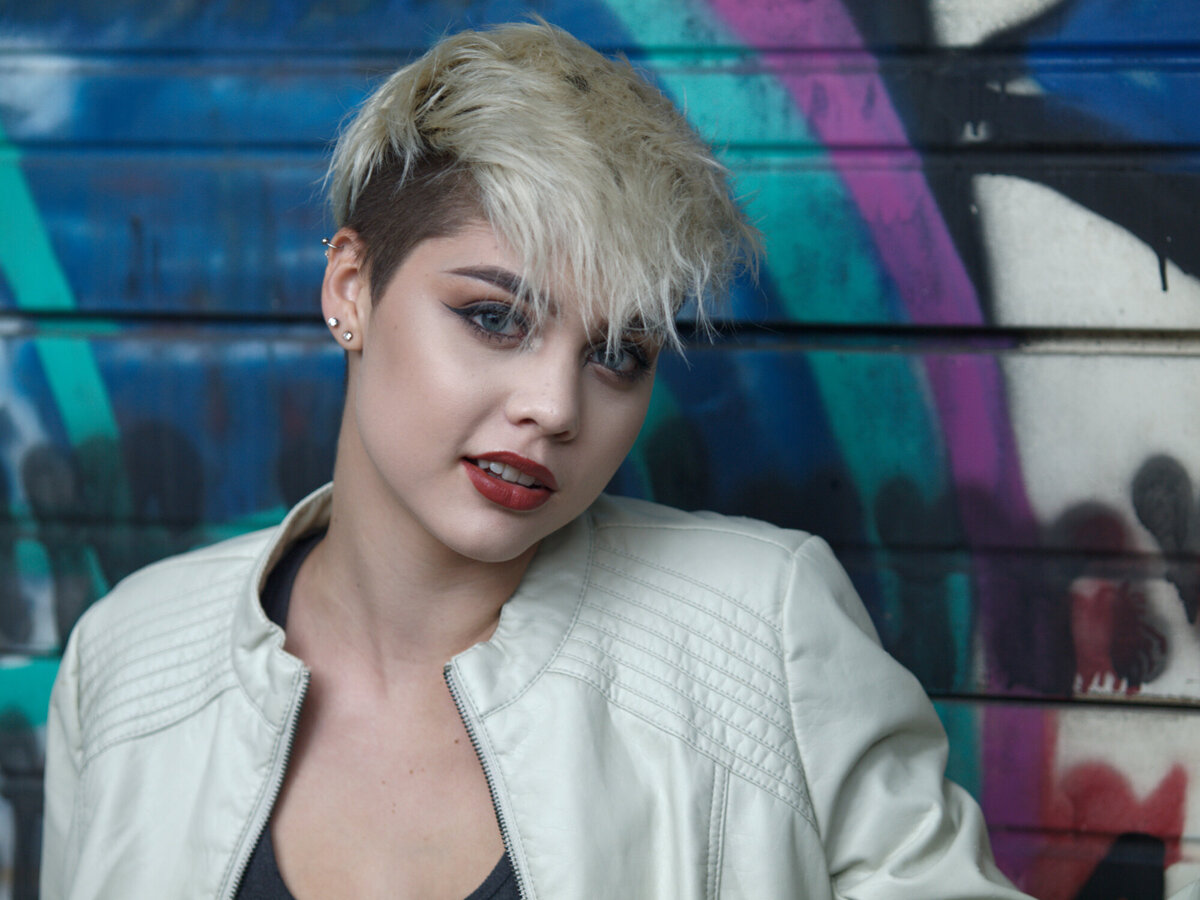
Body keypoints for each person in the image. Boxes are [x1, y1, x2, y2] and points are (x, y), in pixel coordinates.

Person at [40, 20, 1032, 900]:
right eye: (493, 318)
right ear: (351, 286)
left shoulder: (764, 636)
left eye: (619, 355)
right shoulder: (129, 660)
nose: (555, 409)